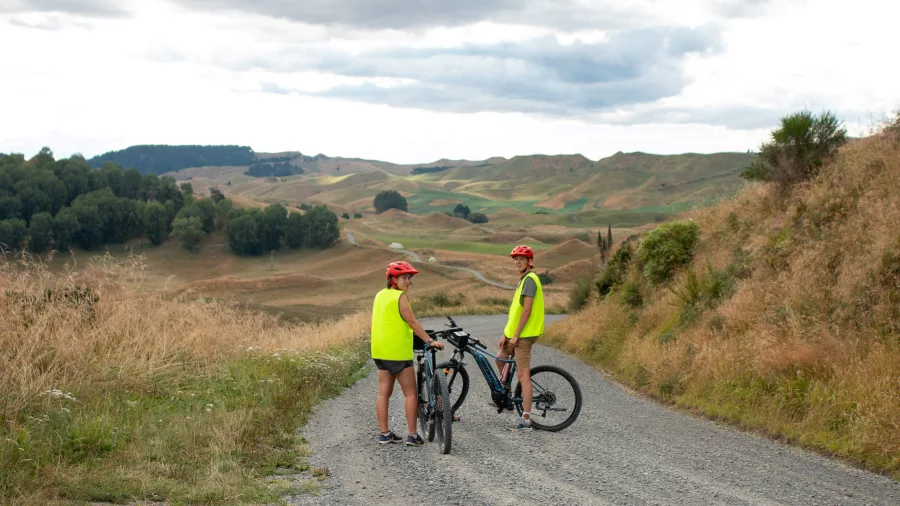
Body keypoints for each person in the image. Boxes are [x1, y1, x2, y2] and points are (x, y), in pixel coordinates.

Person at [371, 261, 444, 446]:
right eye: (404, 278)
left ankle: (384, 434)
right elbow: (412, 322)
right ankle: (412, 435)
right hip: (398, 353)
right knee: (411, 394)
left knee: (383, 394)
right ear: (393, 279)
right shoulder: (400, 296)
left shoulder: (380, 295)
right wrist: (429, 341)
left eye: (409, 278)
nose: (408, 281)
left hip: (380, 352)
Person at [496, 245, 544, 432]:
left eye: (521, 259)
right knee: (500, 358)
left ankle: (526, 420)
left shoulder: (530, 280)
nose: (517, 261)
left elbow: (527, 310)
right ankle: (506, 397)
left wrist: (515, 336)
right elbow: (516, 312)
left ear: (529, 262)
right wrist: (506, 334)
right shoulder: (523, 280)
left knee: (523, 375)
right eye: (515, 259)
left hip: (524, 335)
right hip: (515, 333)